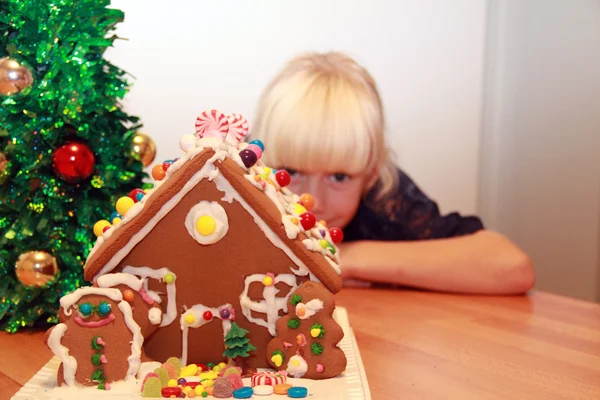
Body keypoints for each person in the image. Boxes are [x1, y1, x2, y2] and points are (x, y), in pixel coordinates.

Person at [249, 51, 535, 295]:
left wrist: (342, 257)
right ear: (259, 163)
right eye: (290, 172)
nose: (312, 201)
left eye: (339, 177)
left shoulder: (383, 199)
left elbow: (511, 265)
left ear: (371, 176)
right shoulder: (234, 184)